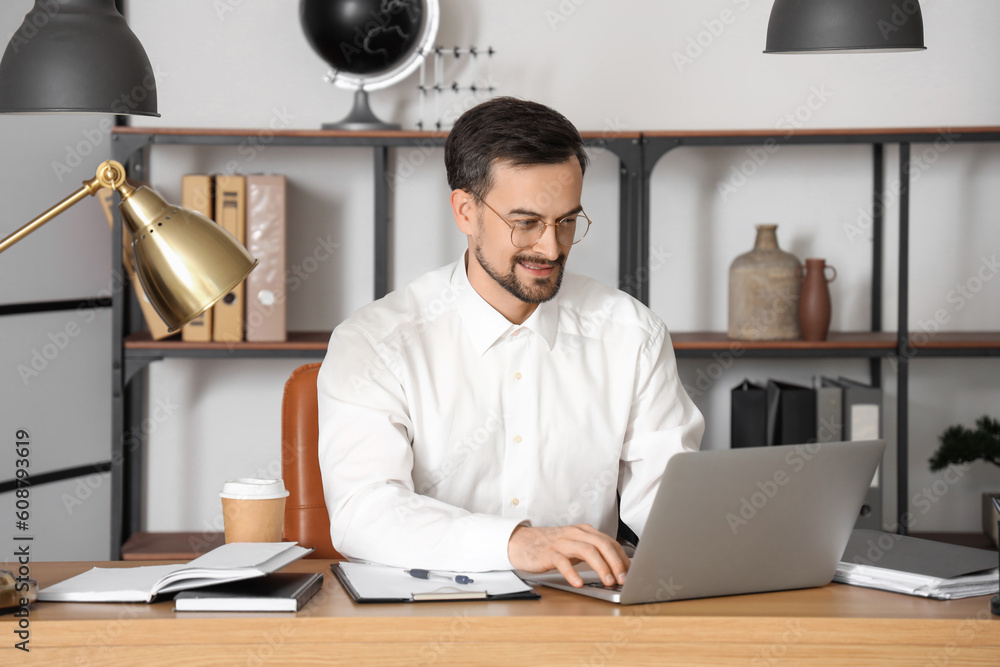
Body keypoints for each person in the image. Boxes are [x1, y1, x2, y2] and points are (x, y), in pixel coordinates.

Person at [317, 97, 704, 588]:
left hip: (582, 620)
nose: (551, 247)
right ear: (465, 211)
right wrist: (517, 542)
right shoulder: (375, 343)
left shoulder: (631, 334)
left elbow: (671, 505)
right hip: (424, 625)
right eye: (526, 223)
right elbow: (364, 511)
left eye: (567, 221)